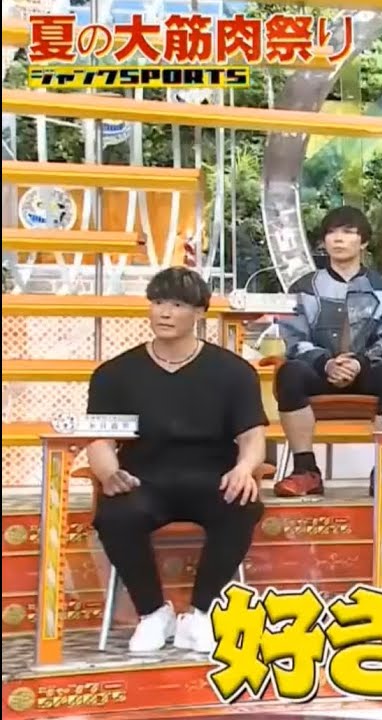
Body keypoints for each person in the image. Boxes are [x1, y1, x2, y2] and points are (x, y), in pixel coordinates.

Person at [86, 267, 266, 654]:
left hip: (212, 477)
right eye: (158, 303)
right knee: (116, 514)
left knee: (241, 504)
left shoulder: (233, 372)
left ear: (199, 312)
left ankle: (199, 613)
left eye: (177, 305)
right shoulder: (114, 373)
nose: (164, 313)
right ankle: (153, 614)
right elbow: (99, 438)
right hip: (144, 479)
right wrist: (109, 472)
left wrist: (244, 468)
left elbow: (253, 436)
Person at [272, 206, 382, 499]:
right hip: (319, 370)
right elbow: (293, 337)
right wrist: (326, 363)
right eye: (332, 232)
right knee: (289, 373)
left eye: (348, 232)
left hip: (368, 370)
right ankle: (305, 470)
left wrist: (358, 363)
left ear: (364, 242)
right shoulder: (303, 288)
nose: (338, 239)